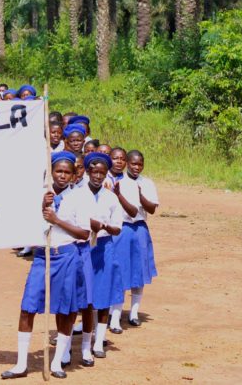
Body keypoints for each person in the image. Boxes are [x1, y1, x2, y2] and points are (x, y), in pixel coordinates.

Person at [2, 152, 90, 380]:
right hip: (43, 257)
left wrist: (57, 220)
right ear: (51, 172)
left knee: (65, 311)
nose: (62, 176)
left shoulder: (80, 197)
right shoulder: (41, 196)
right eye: (58, 171)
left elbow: (84, 233)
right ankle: (21, 364)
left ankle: (57, 362)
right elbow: (22, 224)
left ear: (73, 176)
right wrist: (41, 207)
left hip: (67, 256)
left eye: (67, 172)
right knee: (27, 307)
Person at [83, 153, 124, 359]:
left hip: (105, 246)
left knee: (104, 294)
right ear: (88, 171)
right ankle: (85, 339)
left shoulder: (111, 197)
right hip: (82, 246)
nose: (98, 176)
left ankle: (99, 341)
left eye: (102, 172)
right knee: (86, 296)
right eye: (94, 171)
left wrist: (104, 226)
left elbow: (117, 228)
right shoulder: (78, 193)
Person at [118, 150, 158, 327]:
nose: (136, 167)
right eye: (133, 163)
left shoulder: (147, 183)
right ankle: (115, 312)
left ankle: (134, 312)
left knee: (139, 270)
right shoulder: (119, 182)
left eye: (140, 164)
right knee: (120, 268)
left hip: (140, 228)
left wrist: (141, 194)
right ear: (127, 163)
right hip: (123, 228)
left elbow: (151, 209)